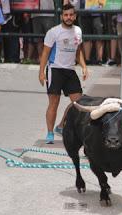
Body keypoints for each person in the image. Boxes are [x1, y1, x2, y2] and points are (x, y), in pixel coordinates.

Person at [39, 3, 88, 144]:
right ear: (62, 16)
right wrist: (41, 72)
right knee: (54, 103)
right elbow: (45, 53)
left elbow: (78, 51)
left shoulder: (78, 31)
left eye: (71, 15)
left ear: (75, 16)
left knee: (79, 103)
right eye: (66, 15)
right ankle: (49, 134)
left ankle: (60, 126)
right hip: (55, 70)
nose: (68, 17)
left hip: (70, 71)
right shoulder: (53, 32)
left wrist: (84, 66)